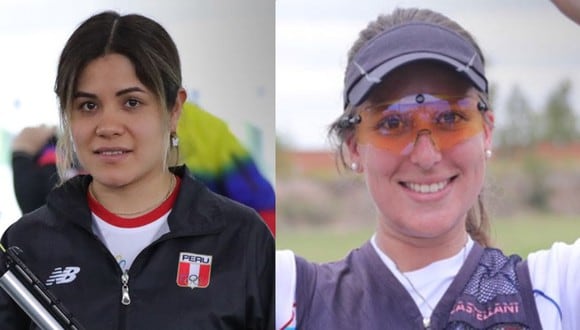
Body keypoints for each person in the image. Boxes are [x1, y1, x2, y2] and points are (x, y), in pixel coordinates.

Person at [276, 7, 579, 329]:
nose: (426, 156)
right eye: (392, 123)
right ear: (354, 147)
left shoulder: (555, 293)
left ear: (487, 130)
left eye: (450, 118)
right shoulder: (291, 296)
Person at [0, 10, 273, 329]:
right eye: (88, 105)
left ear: (174, 109)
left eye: (131, 102)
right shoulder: (26, 243)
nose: (108, 126)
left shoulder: (243, 238)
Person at [10, 101, 276, 235]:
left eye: (132, 101)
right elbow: (45, 217)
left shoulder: (208, 132)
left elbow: (264, 216)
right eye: (89, 103)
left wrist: (22, 154)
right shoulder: (69, 141)